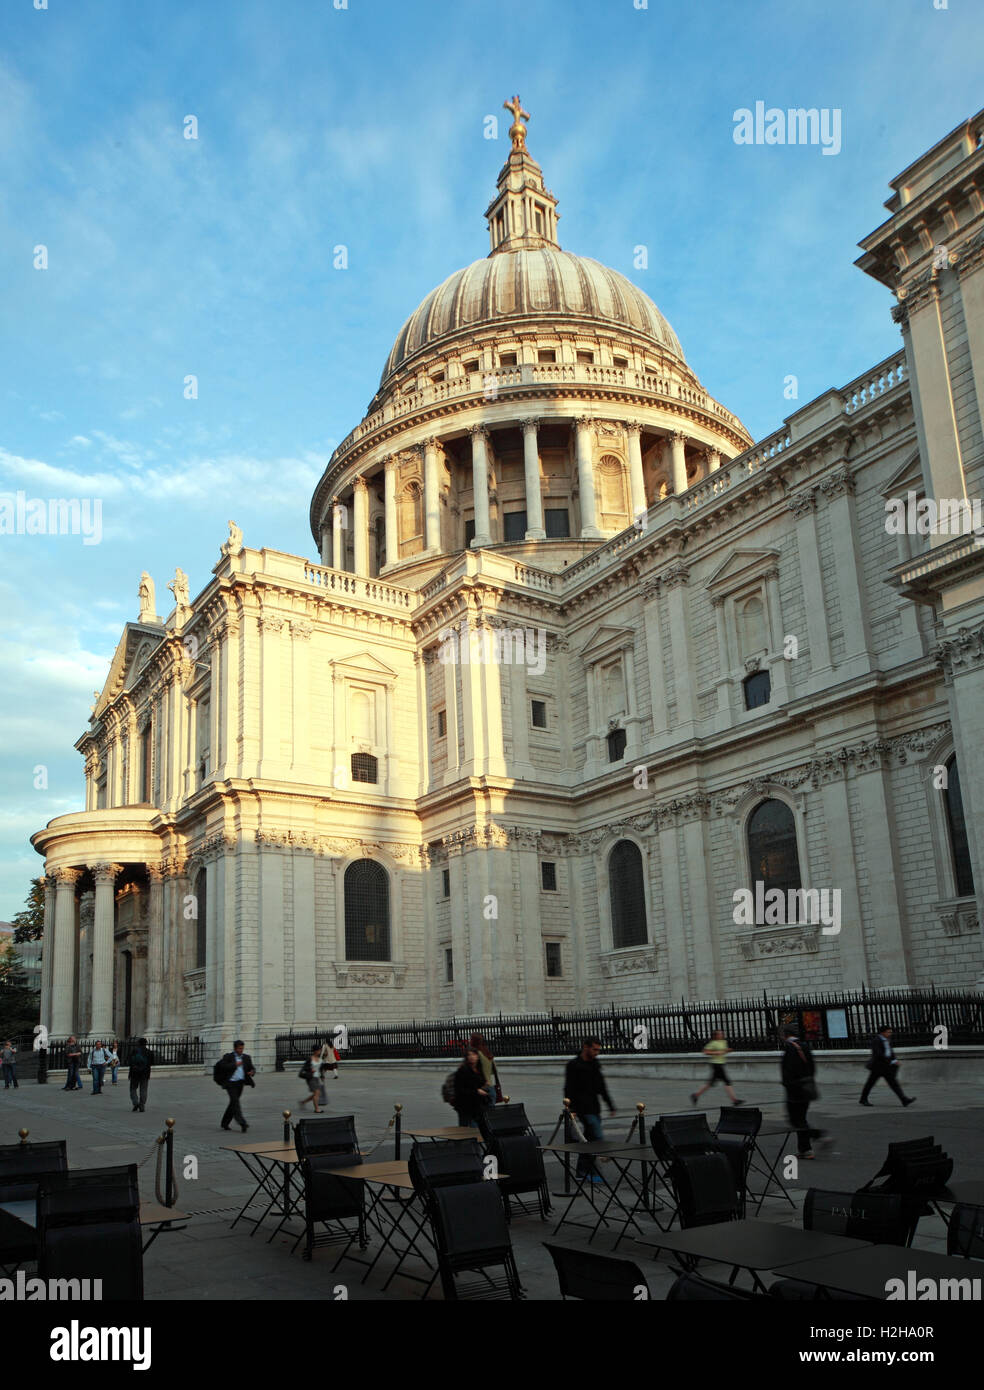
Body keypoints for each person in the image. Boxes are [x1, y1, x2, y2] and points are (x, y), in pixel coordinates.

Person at [564, 1038, 617, 1182]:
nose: (597, 1053)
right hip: (582, 1108)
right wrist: (571, 1108)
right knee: (597, 1138)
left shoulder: (595, 1064)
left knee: (589, 1139)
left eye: (598, 1050)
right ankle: (593, 1171)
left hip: (594, 1107)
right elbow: (569, 1088)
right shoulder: (574, 1065)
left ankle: (582, 1170)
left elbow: (601, 1086)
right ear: (585, 1047)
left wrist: (610, 1104)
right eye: (594, 1049)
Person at [780, 1026, 831, 1159]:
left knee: (794, 1120)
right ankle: (805, 1150)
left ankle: (819, 1135)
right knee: (801, 1119)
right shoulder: (805, 1046)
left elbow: (788, 1070)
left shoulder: (790, 1048)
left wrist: (787, 1084)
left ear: (785, 1035)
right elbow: (812, 1067)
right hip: (807, 1088)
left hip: (795, 1090)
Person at [859, 1025, 916, 1107]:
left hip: (886, 1066)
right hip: (877, 1066)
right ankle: (863, 1099)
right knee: (870, 1083)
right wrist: (890, 1061)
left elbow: (890, 1051)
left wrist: (895, 1060)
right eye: (888, 1032)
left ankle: (904, 1100)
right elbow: (878, 1054)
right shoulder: (876, 1040)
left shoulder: (887, 1040)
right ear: (882, 1032)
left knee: (893, 1083)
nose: (890, 1033)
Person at [690, 1030, 743, 1107]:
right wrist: (715, 1053)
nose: (722, 1035)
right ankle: (734, 1100)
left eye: (722, 1034)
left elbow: (724, 1051)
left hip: (721, 1064)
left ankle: (696, 1095)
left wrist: (728, 1050)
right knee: (727, 1081)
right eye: (720, 1034)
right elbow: (705, 1051)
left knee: (711, 1083)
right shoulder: (713, 1043)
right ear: (716, 1036)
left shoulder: (723, 1042)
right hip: (716, 1064)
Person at [217, 1040, 255, 1132]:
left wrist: (252, 1072)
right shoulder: (228, 1057)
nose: (241, 1050)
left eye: (242, 1048)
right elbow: (222, 1066)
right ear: (235, 1048)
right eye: (239, 1048)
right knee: (235, 1102)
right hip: (230, 1083)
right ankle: (242, 1123)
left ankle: (225, 1123)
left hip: (240, 1083)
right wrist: (235, 1064)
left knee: (233, 1103)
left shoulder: (246, 1058)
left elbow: (251, 1068)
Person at [453, 1048, 491, 1128]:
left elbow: (480, 1083)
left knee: (479, 1127)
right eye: (469, 1055)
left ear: (477, 1056)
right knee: (465, 1129)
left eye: (473, 1054)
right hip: (465, 1105)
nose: (471, 1057)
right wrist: (477, 1091)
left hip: (477, 1105)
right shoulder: (463, 1070)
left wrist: (484, 1085)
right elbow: (459, 1089)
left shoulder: (479, 1069)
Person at [469, 1032, 499, 1107]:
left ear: (474, 1041)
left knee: (476, 1116)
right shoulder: (488, 1053)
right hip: (491, 1089)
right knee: (489, 1116)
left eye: (470, 1039)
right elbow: (494, 1071)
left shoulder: (475, 1055)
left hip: (480, 1090)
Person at [128, 1038, 153, 1112]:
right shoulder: (149, 1052)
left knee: (133, 1089)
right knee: (143, 1090)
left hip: (134, 1073)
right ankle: (142, 1105)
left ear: (138, 1043)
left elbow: (129, 1062)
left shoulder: (134, 1051)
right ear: (146, 1043)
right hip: (145, 1073)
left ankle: (135, 1102)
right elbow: (152, 1063)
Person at [298, 1046, 323, 1113]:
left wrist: (322, 1076)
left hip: (317, 1077)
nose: (320, 1052)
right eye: (319, 1050)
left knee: (317, 1093)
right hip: (311, 1078)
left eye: (320, 1050)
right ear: (315, 1051)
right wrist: (310, 1069)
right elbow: (305, 1068)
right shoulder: (310, 1059)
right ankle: (317, 1109)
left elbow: (320, 1069)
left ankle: (303, 1102)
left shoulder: (320, 1059)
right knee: (316, 1093)